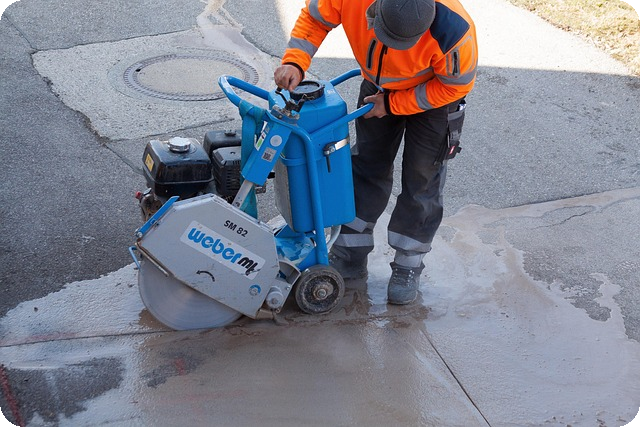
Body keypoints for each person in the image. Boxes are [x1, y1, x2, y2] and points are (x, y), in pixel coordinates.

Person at [274, 0, 478, 305]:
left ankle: (408, 264)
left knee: (422, 179)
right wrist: (295, 61)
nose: (393, 47)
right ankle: (350, 252)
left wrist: (394, 105)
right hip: (377, 86)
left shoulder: (455, 31)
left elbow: (455, 86)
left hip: (434, 98)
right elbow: (316, 18)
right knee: (365, 166)